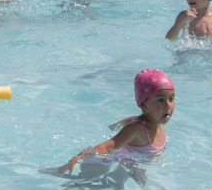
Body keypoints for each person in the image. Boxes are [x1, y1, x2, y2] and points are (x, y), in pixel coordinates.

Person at [41, 69, 174, 177]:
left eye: (171, 98)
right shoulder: (136, 129)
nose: (168, 105)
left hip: (128, 161)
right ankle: (56, 172)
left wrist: (112, 127)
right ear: (144, 105)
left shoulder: (157, 120)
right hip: (100, 161)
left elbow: (123, 122)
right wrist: (78, 157)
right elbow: (108, 148)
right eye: (160, 100)